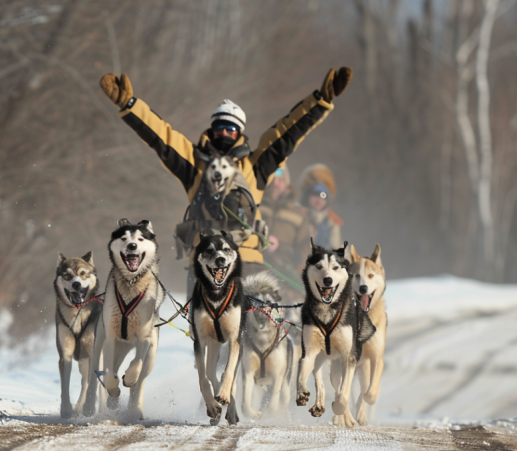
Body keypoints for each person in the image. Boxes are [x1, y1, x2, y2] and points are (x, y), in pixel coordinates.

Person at [99, 67, 353, 287]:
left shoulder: (256, 166)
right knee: (205, 337)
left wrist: (320, 101)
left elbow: (287, 132)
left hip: (247, 261)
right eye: (219, 126)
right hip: (204, 262)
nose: (224, 133)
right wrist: (130, 105)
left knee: (248, 335)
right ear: (211, 129)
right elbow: (163, 138)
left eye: (231, 128)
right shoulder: (194, 165)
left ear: (239, 132)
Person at [259, 163, 312, 286]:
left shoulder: (298, 214)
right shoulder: (257, 205)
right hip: (258, 267)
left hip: (284, 275)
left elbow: (304, 248)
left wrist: (297, 269)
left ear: (287, 183)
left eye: (281, 179)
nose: (276, 183)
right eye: (272, 179)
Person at [298, 164, 344, 250]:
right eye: (315, 195)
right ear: (307, 195)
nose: (319, 201)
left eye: (323, 197)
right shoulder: (297, 214)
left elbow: (336, 248)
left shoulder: (332, 223)